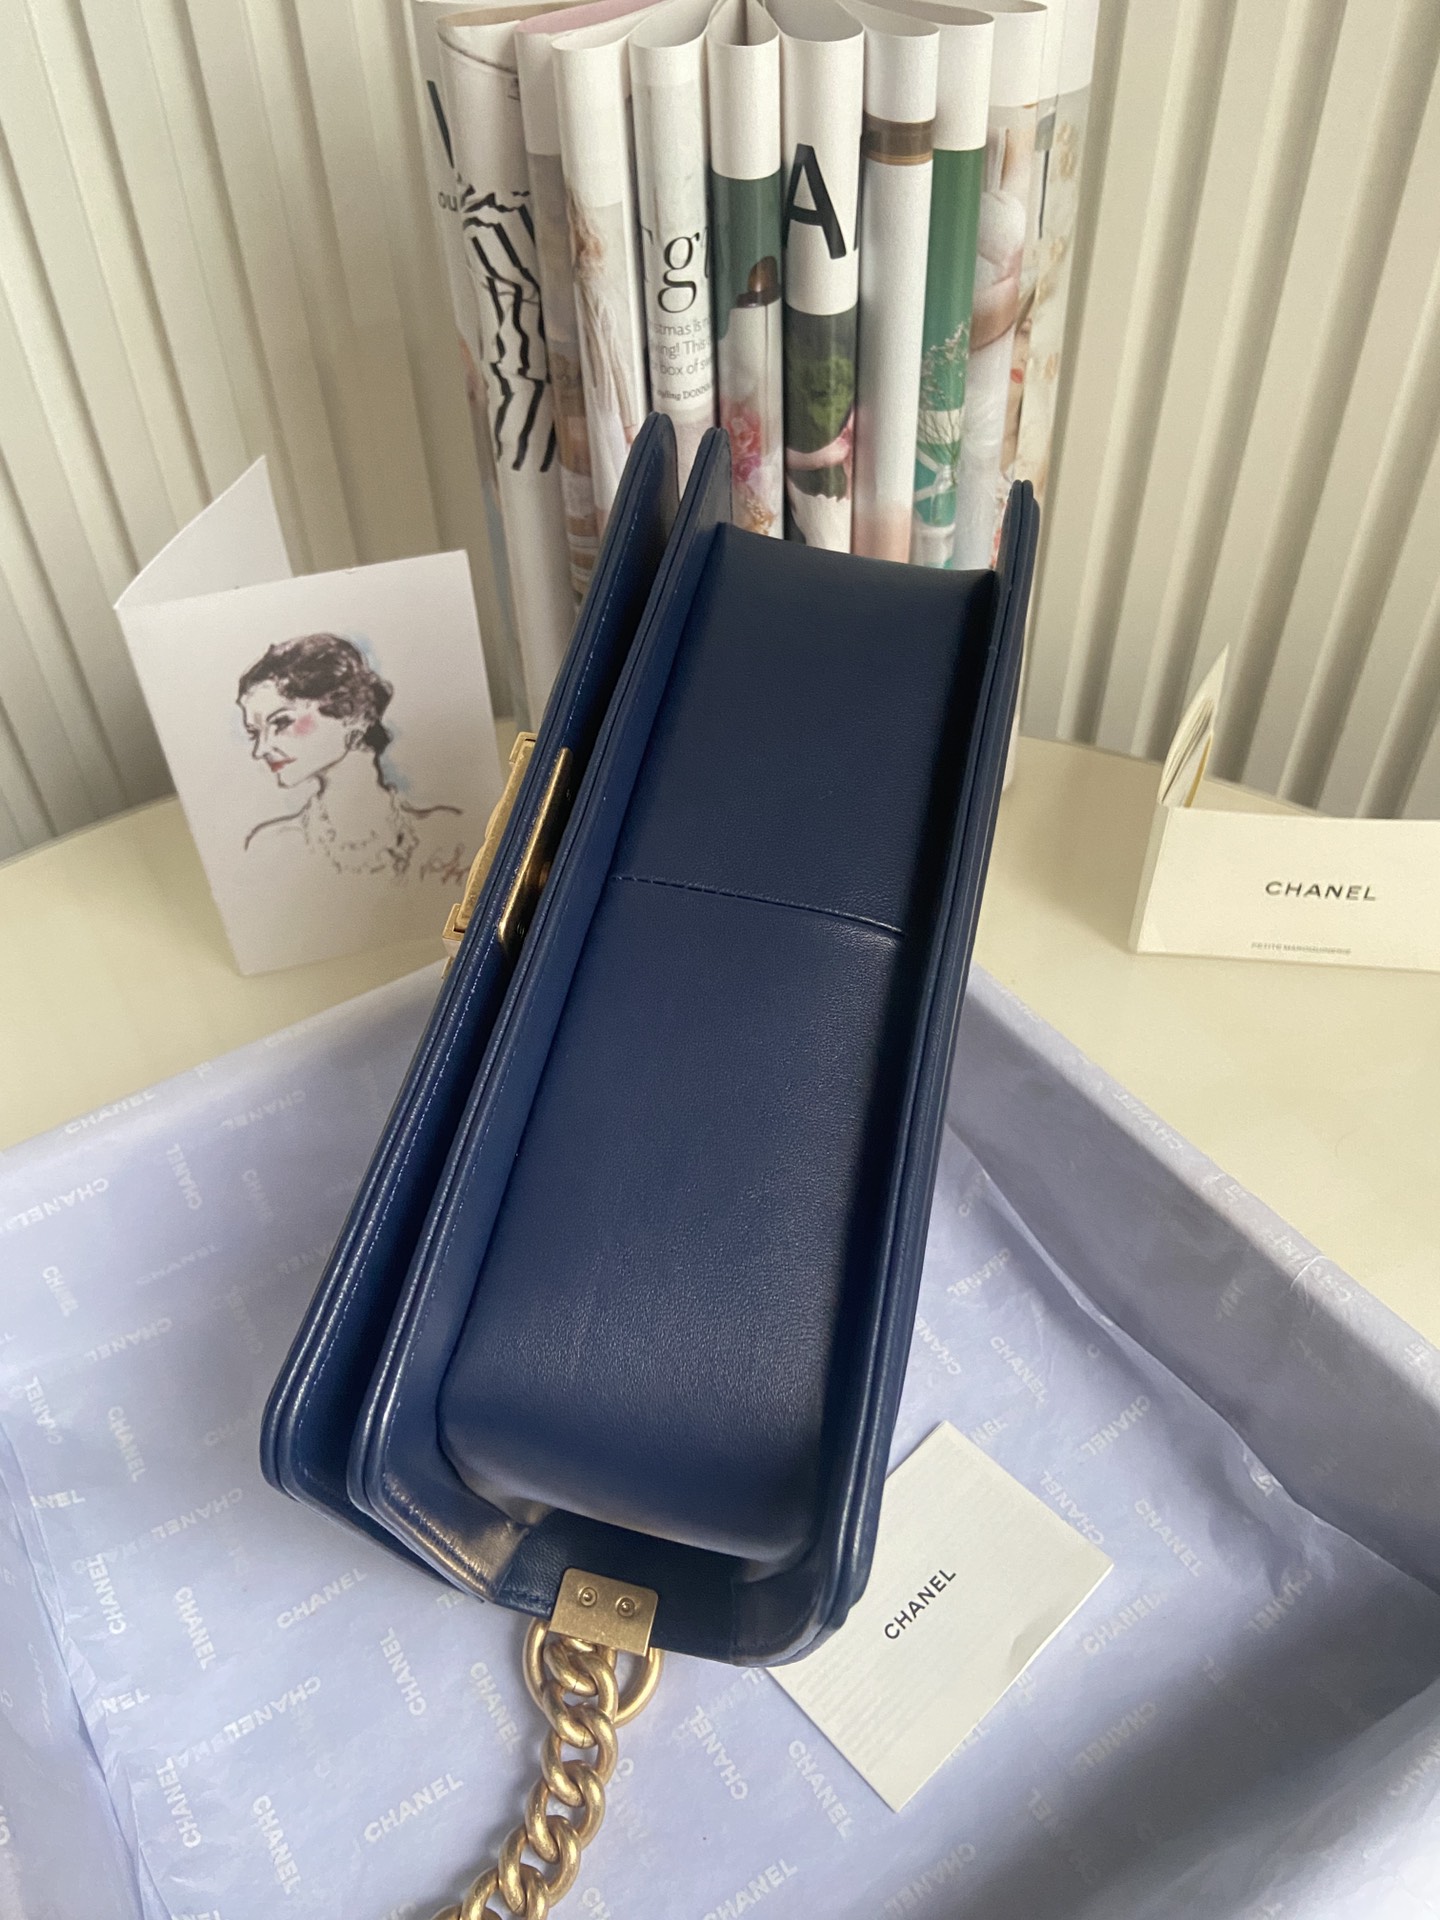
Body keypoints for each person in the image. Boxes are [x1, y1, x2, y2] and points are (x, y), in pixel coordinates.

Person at [237, 633, 466, 885]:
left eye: (281, 723)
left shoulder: (448, 833)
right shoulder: (271, 845)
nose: (261, 749)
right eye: (254, 733)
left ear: (350, 713)